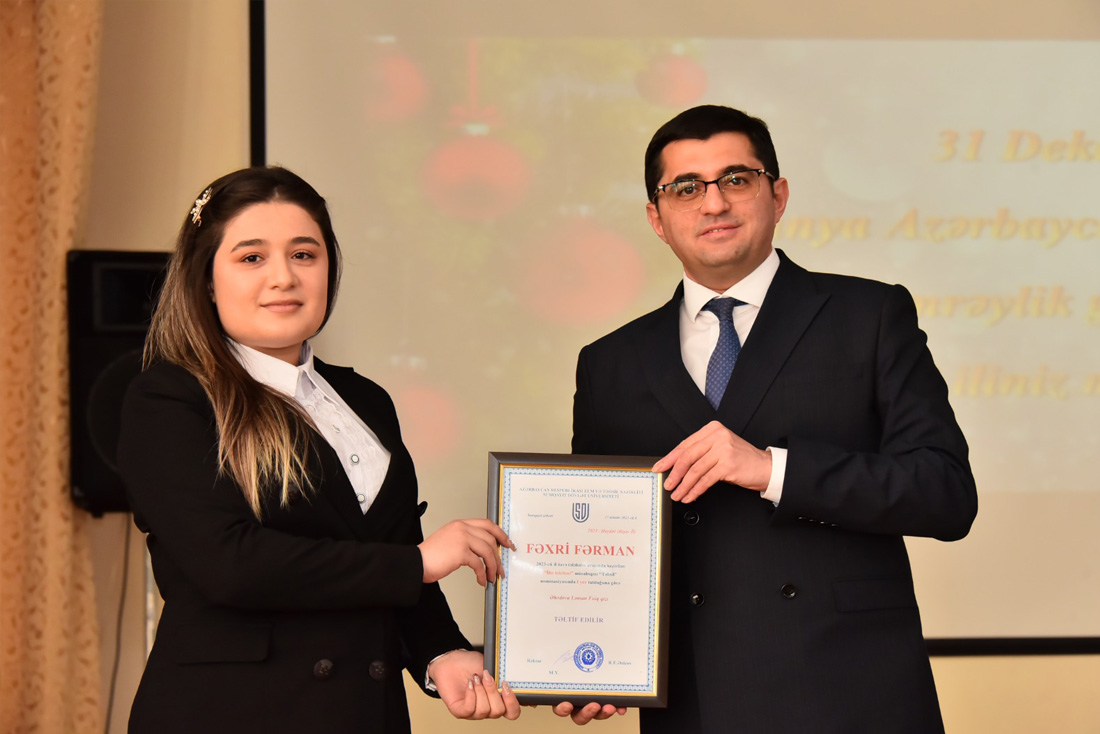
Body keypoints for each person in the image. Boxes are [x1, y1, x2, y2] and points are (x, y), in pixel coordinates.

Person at [554, 106, 977, 733]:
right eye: (686, 188)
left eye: (736, 179)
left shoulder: (869, 315)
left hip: (851, 693)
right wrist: (590, 662)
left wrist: (771, 469)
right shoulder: (609, 362)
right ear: (657, 218)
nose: (714, 203)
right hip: (696, 701)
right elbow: (598, 542)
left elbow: (945, 494)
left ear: (777, 195)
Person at [117, 166, 521, 733]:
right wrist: (418, 563)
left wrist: (441, 653)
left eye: (304, 254)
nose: (283, 277)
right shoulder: (169, 399)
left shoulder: (366, 400)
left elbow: (389, 547)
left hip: (363, 714)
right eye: (252, 257)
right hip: (231, 715)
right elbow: (229, 564)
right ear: (205, 279)